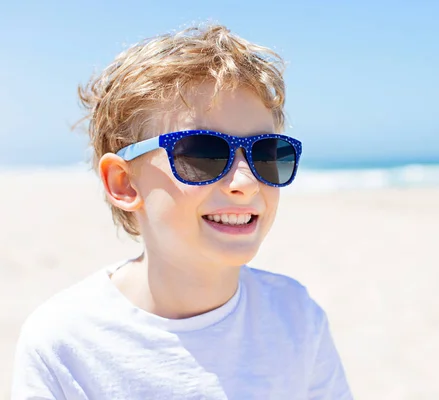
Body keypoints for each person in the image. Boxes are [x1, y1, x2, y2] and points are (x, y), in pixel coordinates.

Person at [11, 24, 353, 399]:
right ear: (124, 183)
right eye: (203, 153)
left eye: (266, 154)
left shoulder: (297, 318)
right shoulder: (65, 344)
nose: (246, 181)